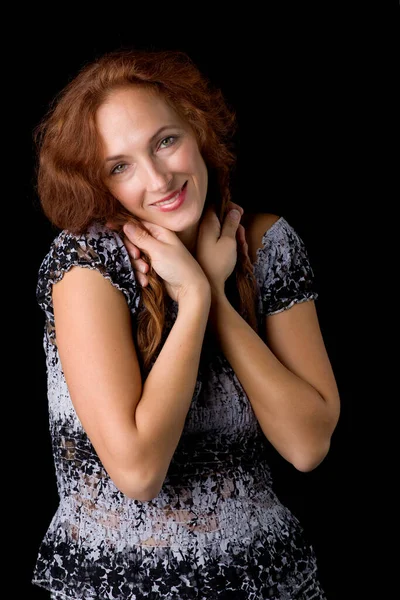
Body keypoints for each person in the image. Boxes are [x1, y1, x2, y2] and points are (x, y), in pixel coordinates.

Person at [32, 47, 340, 600]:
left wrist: (217, 299)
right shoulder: (86, 264)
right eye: (119, 166)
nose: (157, 178)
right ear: (99, 185)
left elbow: (307, 444)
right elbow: (138, 472)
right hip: (116, 589)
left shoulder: (266, 243)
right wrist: (194, 299)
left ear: (197, 129)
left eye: (165, 140)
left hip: (272, 584)